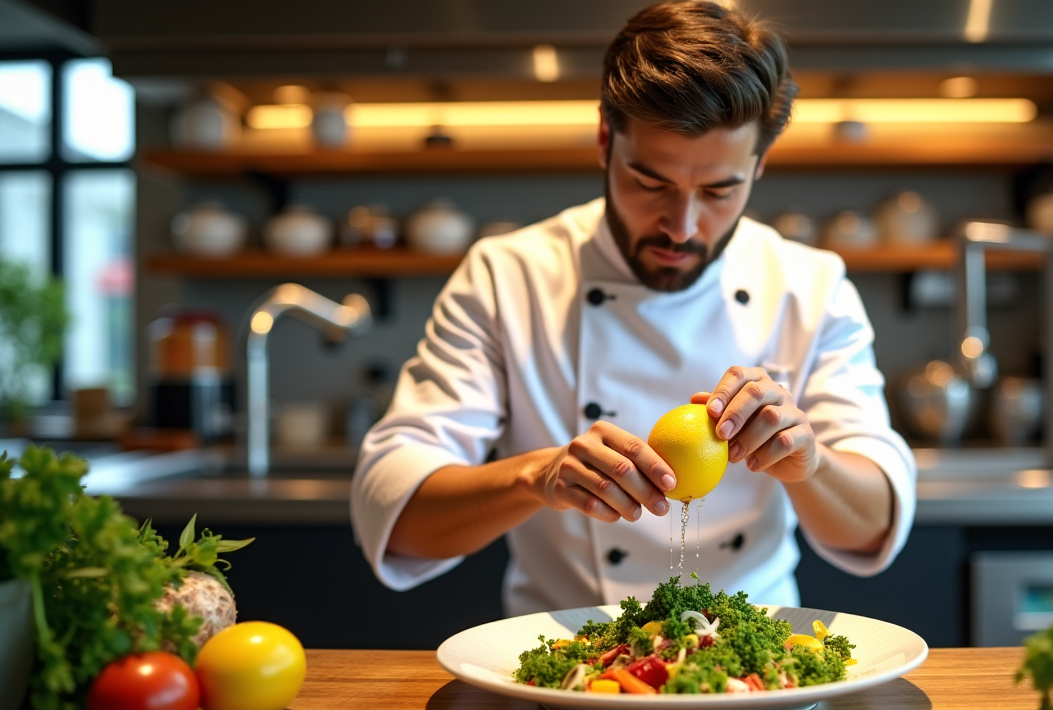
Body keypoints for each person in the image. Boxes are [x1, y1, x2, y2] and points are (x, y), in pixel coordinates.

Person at [351, 0, 916, 616]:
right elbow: (397, 516)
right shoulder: (507, 276)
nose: (682, 226)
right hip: (563, 653)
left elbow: (874, 523)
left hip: (757, 656)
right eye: (651, 183)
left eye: (720, 191)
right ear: (605, 140)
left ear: (758, 166)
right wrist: (534, 476)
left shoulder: (810, 285)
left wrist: (811, 462)